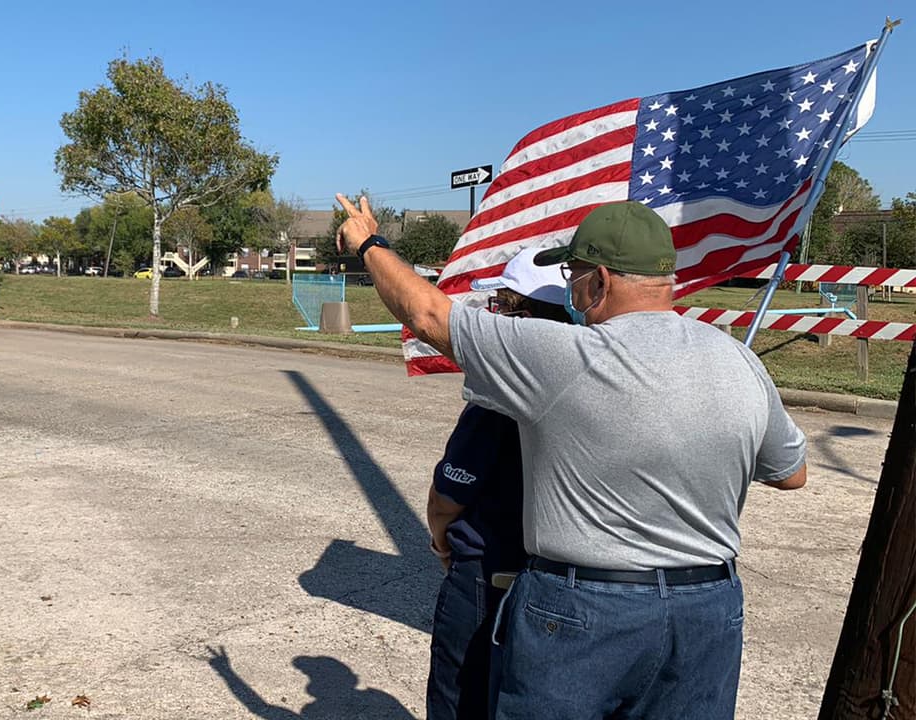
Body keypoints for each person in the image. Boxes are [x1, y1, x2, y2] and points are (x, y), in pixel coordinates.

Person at [333, 194, 807, 720]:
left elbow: (426, 313)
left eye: (573, 275)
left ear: (598, 281)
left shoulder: (565, 356)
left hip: (586, 609)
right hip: (707, 608)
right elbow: (791, 473)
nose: (570, 289)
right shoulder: (739, 360)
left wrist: (369, 243)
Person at [426, 247, 570, 720]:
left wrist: (440, 542)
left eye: (502, 306)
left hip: (490, 572)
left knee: (462, 697)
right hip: (566, 579)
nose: (495, 316)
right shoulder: (597, 379)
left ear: (522, 316)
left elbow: (448, 497)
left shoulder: (500, 396)